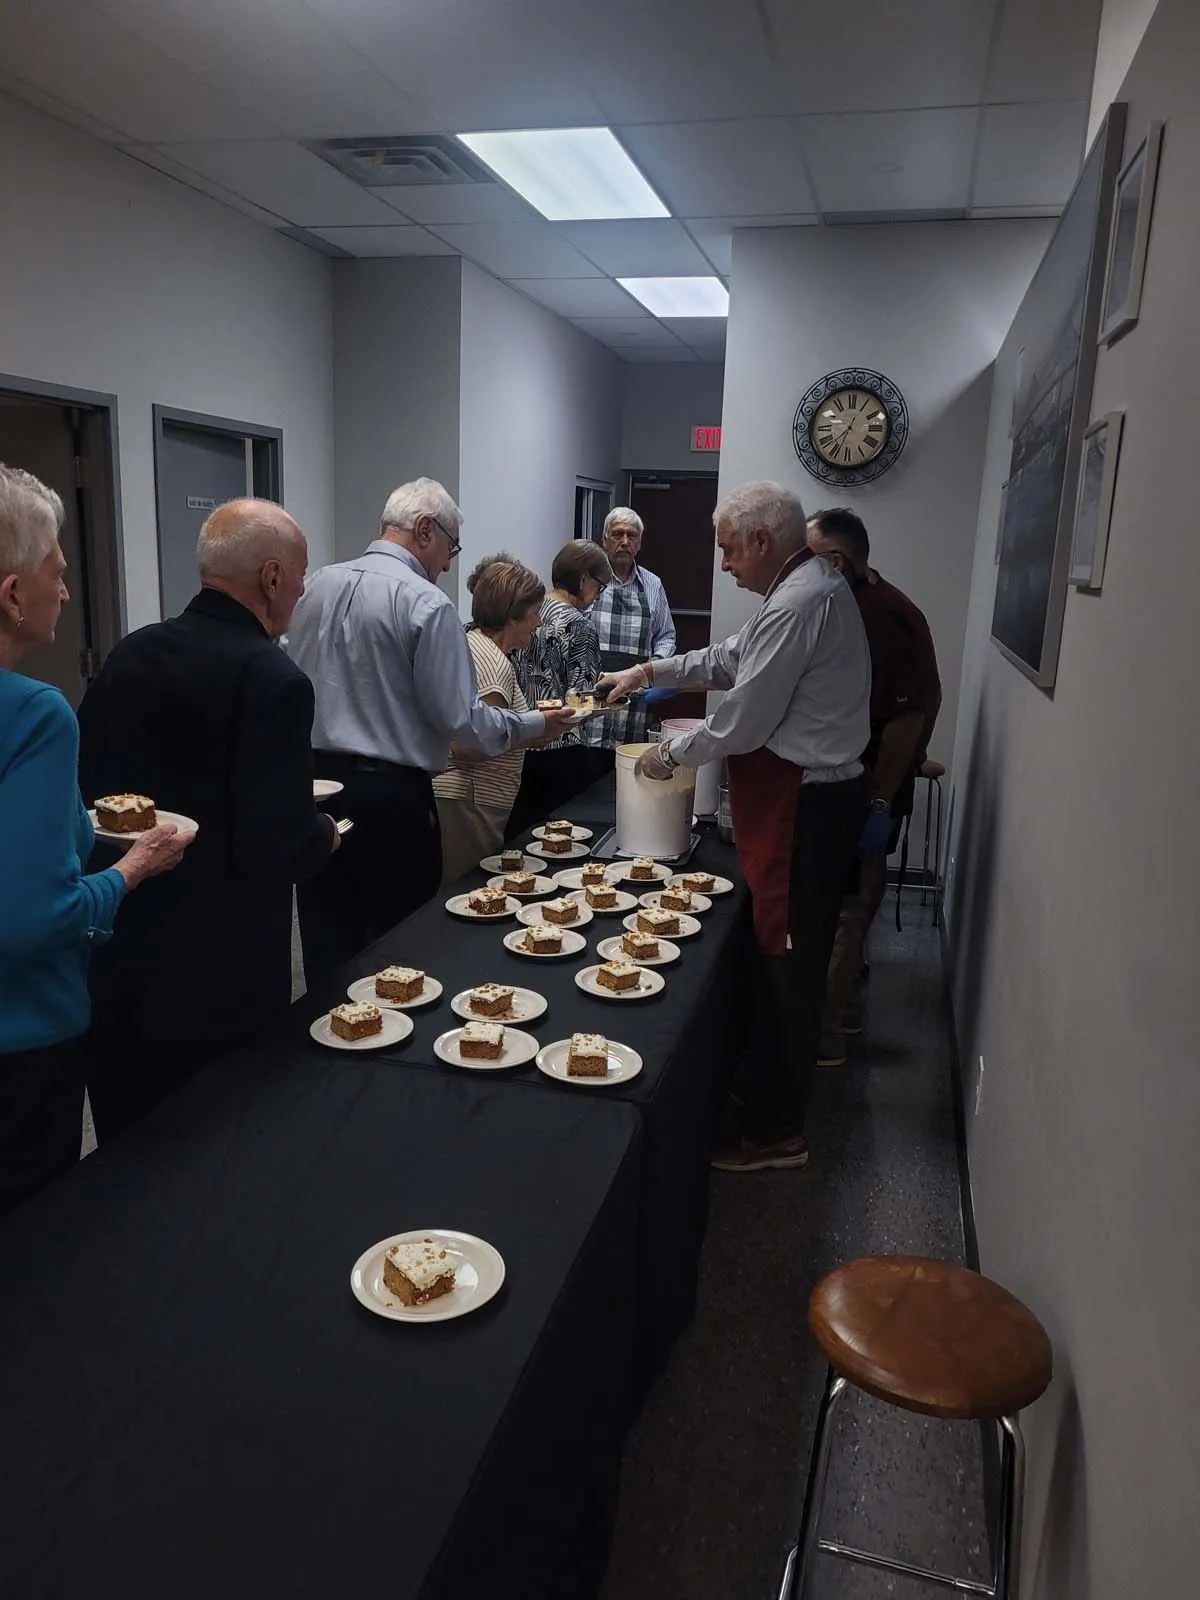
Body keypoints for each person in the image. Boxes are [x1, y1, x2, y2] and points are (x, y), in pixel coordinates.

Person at [598, 482, 871, 1173]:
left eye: (725, 549)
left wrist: (667, 755)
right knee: (774, 960)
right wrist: (650, 670)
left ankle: (776, 1131)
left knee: (787, 968)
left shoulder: (803, 599)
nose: (721, 563)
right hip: (797, 800)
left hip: (806, 809)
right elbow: (725, 659)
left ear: (759, 541)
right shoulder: (792, 592)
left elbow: (743, 719)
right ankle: (759, 1099)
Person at [77, 499, 337, 1140]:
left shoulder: (131, 652)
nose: (303, 590)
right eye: (301, 575)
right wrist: (327, 836)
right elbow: (275, 844)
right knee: (216, 1145)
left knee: (124, 1140)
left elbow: (91, 793)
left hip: (126, 943)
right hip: (223, 967)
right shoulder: (275, 680)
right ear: (272, 577)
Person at [285, 479, 573, 979]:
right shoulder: (425, 602)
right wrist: (534, 724)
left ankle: (327, 1048)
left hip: (315, 790)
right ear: (425, 530)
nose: (447, 564)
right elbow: (462, 721)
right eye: (450, 548)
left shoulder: (314, 586)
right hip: (390, 799)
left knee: (327, 936)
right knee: (400, 948)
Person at [0, 465, 190, 1209]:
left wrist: (79, 826)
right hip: (20, 1047)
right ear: (14, 594)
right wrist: (134, 868)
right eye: (57, 572)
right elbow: (34, 923)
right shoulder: (36, 714)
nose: (66, 592)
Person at [806, 508, 942, 1062]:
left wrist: (881, 800)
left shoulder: (885, 616)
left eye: (806, 557)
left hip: (869, 782)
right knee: (850, 900)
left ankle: (825, 1032)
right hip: (850, 777)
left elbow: (910, 714)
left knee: (847, 908)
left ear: (836, 561)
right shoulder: (840, 600)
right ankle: (842, 997)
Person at [432, 554, 545, 884]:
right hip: (472, 800)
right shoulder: (494, 664)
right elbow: (471, 745)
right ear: (512, 616)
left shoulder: (472, 645)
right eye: (534, 614)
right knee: (467, 892)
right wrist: (537, 729)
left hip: (466, 798)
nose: (538, 624)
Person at [506, 538, 613, 835]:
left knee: (522, 838)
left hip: (521, 742)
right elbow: (582, 702)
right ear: (582, 579)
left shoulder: (527, 613)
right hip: (560, 751)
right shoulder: (580, 625)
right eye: (599, 587)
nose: (598, 597)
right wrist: (613, 696)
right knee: (560, 842)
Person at [578, 506, 676, 756]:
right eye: (618, 534)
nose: (624, 542)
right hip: (591, 699)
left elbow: (666, 636)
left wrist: (652, 670)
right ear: (604, 540)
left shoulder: (653, 585)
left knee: (627, 770)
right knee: (587, 773)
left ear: (640, 543)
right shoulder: (586, 582)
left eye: (631, 536)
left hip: (635, 702)